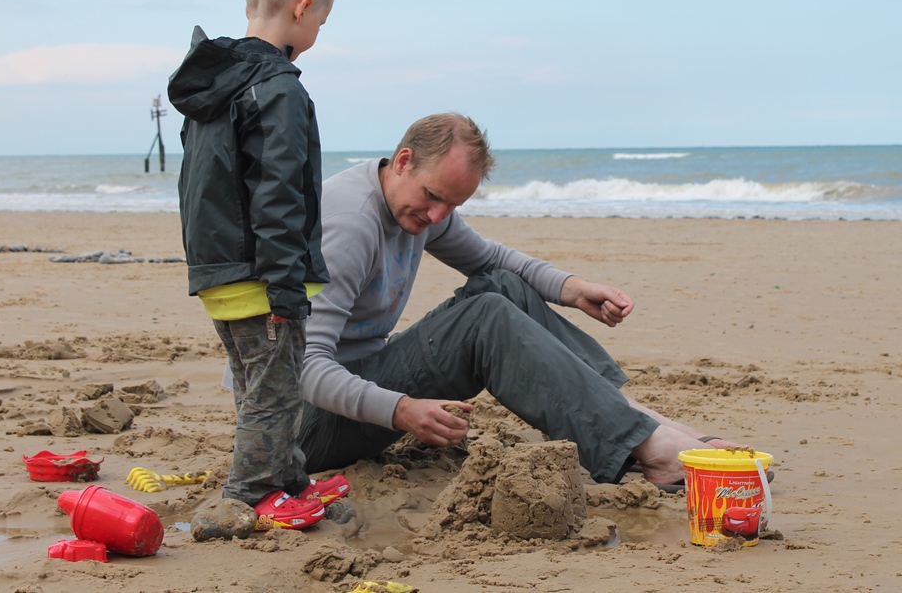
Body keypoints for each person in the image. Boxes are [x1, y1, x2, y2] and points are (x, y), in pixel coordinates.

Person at [298, 112, 741, 491]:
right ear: (403, 161)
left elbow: (492, 260)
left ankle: (638, 420)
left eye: (451, 206)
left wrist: (572, 288)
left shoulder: (415, 200)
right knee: (485, 318)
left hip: (355, 387)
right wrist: (401, 410)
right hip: (305, 427)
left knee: (500, 286)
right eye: (433, 198)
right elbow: (305, 368)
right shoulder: (350, 225)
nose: (436, 218)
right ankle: (650, 448)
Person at [167, 0, 348, 531]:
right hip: (262, 275)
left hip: (219, 271)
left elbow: (201, 185)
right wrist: (285, 284)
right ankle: (246, 498)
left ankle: (288, 478)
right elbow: (278, 193)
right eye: (321, 19)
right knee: (273, 393)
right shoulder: (278, 88)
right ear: (301, 8)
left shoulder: (215, 87)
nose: (319, 30)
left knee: (260, 387)